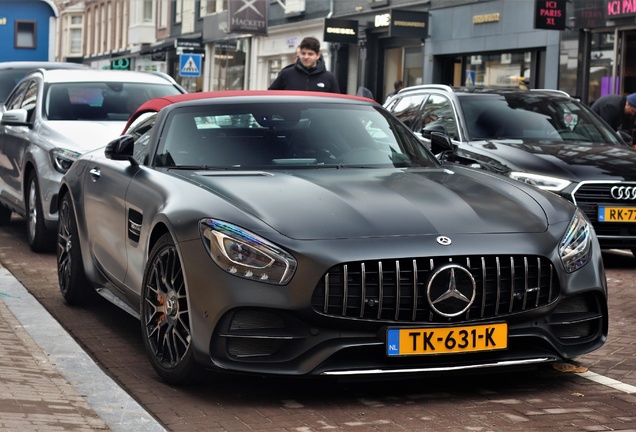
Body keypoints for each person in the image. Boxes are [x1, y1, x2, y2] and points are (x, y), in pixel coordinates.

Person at [268, 36, 340, 93]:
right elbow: (271, 96)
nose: (306, 57)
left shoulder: (329, 78)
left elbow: (336, 104)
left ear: (318, 55)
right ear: (299, 54)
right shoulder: (286, 74)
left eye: (310, 54)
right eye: (303, 53)